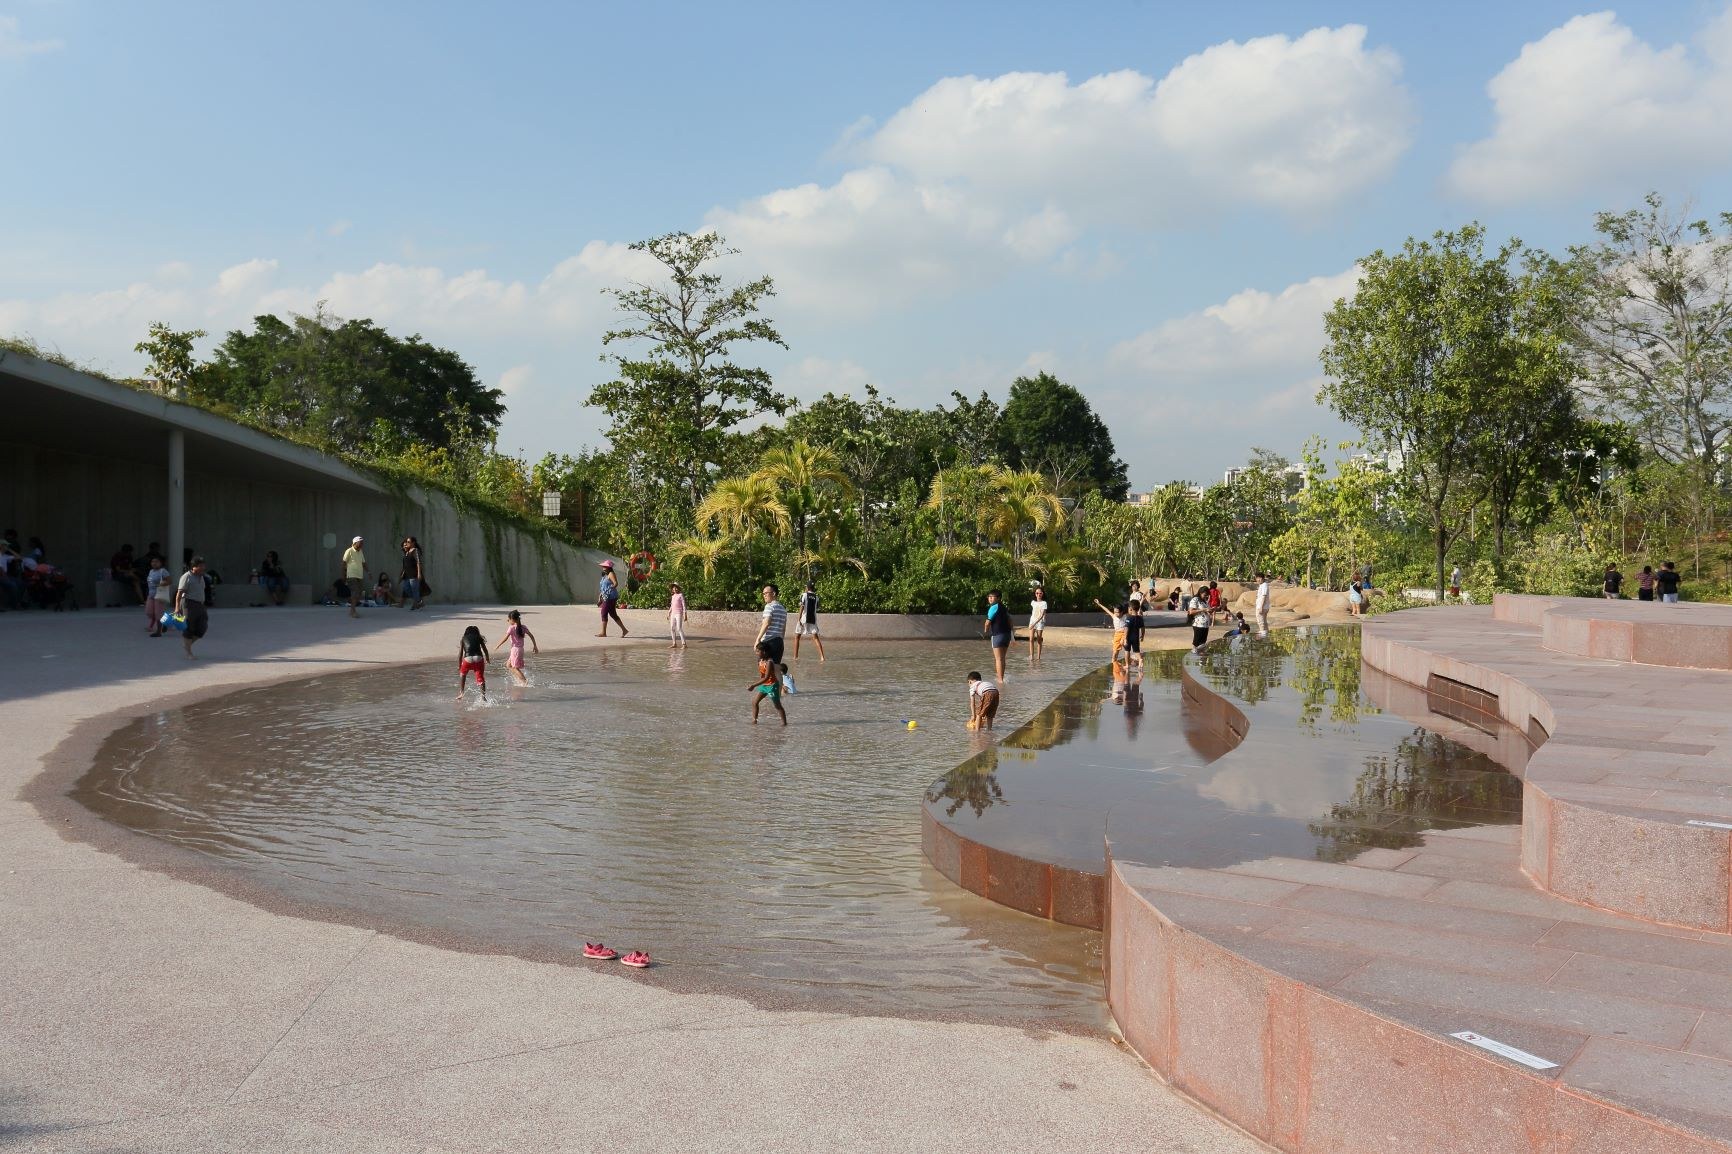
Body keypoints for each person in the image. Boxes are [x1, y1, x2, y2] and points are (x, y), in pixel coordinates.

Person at [174, 555, 210, 659]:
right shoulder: (186, 576)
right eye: (200, 566)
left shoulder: (202, 577)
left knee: (202, 628)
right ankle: (189, 653)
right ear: (193, 567)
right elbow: (179, 594)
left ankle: (187, 645)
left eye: (204, 565)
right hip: (188, 604)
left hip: (200, 604)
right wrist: (177, 608)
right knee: (189, 627)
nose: (203, 568)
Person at [495, 609, 538, 686]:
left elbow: (505, 638)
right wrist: (535, 646)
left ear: (512, 619)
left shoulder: (511, 627)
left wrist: (498, 645)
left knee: (515, 668)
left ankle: (525, 682)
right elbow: (532, 636)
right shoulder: (523, 627)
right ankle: (520, 680)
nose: (507, 620)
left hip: (515, 650)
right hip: (521, 650)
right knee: (508, 665)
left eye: (509, 619)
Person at [750, 642, 786, 725]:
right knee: (754, 702)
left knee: (777, 706)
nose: (756, 653)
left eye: (758, 651)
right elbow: (762, 676)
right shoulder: (760, 660)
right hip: (764, 685)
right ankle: (754, 720)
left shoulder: (769, 662)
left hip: (772, 686)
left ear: (764, 652)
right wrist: (760, 683)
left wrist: (753, 685)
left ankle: (784, 724)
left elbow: (766, 677)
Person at [983, 589, 1013, 681]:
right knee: (1002, 658)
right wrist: (1011, 632)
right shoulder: (1003, 607)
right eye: (989, 597)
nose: (990, 599)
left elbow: (988, 622)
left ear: (999, 598)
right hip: (1006, 635)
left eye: (992, 597)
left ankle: (1000, 680)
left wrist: (985, 631)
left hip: (997, 635)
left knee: (998, 659)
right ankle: (1002, 678)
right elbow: (1010, 620)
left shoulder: (993, 607)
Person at [753, 583, 786, 665]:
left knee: (763, 667)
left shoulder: (769, 606)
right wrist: (780, 640)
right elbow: (783, 628)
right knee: (777, 668)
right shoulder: (783, 609)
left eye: (766, 593)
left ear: (774, 593)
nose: (764, 595)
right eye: (763, 594)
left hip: (768, 642)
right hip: (779, 642)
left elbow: (766, 623)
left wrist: (758, 639)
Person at [794, 580, 826, 661]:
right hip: (813, 620)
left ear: (807, 587)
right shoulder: (817, 597)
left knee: (797, 637)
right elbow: (817, 607)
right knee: (815, 638)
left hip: (803, 619)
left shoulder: (804, 595)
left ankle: (795, 657)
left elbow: (802, 607)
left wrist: (799, 619)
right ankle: (822, 657)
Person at [456, 624, 489, 701]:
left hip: (468, 659)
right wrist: (487, 658)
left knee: (463, 674)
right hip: (479, 658)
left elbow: (460, 654)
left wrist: (459, 666)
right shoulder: (479, 638)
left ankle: (461, 693)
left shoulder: (463, 639)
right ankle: (483, 697)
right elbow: (485, 650)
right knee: (480, 678)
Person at [597, 559, 628, 636]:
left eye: (604, 566)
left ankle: (603, 633)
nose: (603, 567)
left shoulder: (611, 574)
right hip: (606, 597)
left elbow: (615, 583)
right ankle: (624, 630)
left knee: (603, 612)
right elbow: (603, 587)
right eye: (603, 566)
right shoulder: (605, 575)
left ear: (608, 567)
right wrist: (601, 595)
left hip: (610, 597)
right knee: (613, 614)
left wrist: (609, 589)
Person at [1094, 598, 1129, 663]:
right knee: (1115, 651)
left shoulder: (1125, 616)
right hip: (1117, 634)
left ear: (1121, 612)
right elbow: (1106, 610)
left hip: (1125, 634)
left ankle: (1127, 663)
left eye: (1117, 612)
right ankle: (1113, 663)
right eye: (1114, 612)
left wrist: (1124, 637)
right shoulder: (1114, 616)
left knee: (1127, 649)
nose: (1115, 613)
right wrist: (1099, 604)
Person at [145, 553, 172, 636]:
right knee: (149, 612)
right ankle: (165, 623)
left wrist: (161, 584)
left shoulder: (163, 571)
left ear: (161, 563)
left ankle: (158, 631)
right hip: (151, 595)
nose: (154, 563)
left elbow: (169, 581)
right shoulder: (151, 571)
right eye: (153, 561)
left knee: (158, 613)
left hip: (159, 595)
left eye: (156, 561)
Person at [341, 536, 367, 619]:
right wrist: (343, 575)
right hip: (351, 575)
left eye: (362, 542)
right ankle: (353, 611)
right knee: (355, 592)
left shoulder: (361, 552)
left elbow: (363, 563)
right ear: (355, 543)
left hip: (359, 575)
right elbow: (343, 563)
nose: (362, 544)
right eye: (360, 542)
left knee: (359, 594)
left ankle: (352, 608)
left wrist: (368, 572)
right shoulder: (349, 551)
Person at [400, 536, 426, 610]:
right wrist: (402, 574)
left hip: (414, 574)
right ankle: (419, 601)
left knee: (415, 590)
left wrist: (419, 573)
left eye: (408, 542)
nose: (407, 543)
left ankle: (416, 603)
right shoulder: (407, 551)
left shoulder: (415, 550)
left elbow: (418, 562)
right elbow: (405, 565)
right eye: (406, 542)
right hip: (407, 575)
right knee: (406, 588)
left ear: (413, 543)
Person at [1027, 584, 1048, 662]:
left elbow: (1042, 614)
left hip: (1039, 622)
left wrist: (1034, 624)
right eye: (1037, 593)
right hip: (1032, 621)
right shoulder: (1033, 602)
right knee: (1031, 639)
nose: (1038, 594)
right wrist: (1032, 623)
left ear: (1042, 594)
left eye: (1040, 593)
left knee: (1039, 639)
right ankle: (1031, 656)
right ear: (1035, 594)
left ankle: (1038, 657)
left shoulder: (1044, 603)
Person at [667, 581, 687, 648]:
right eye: (673, 588)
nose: (675, 589)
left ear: (678, 588)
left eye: (676, 588)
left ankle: (684, 644)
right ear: (672, 589)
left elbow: (684, 605)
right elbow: (672, 605)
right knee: (672, 628)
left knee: (679, 628)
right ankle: (674, 643)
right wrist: (669, 613)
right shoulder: (673, 596)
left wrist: (685, 614)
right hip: (673, 613)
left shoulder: (680, 595)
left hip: (679, 613)